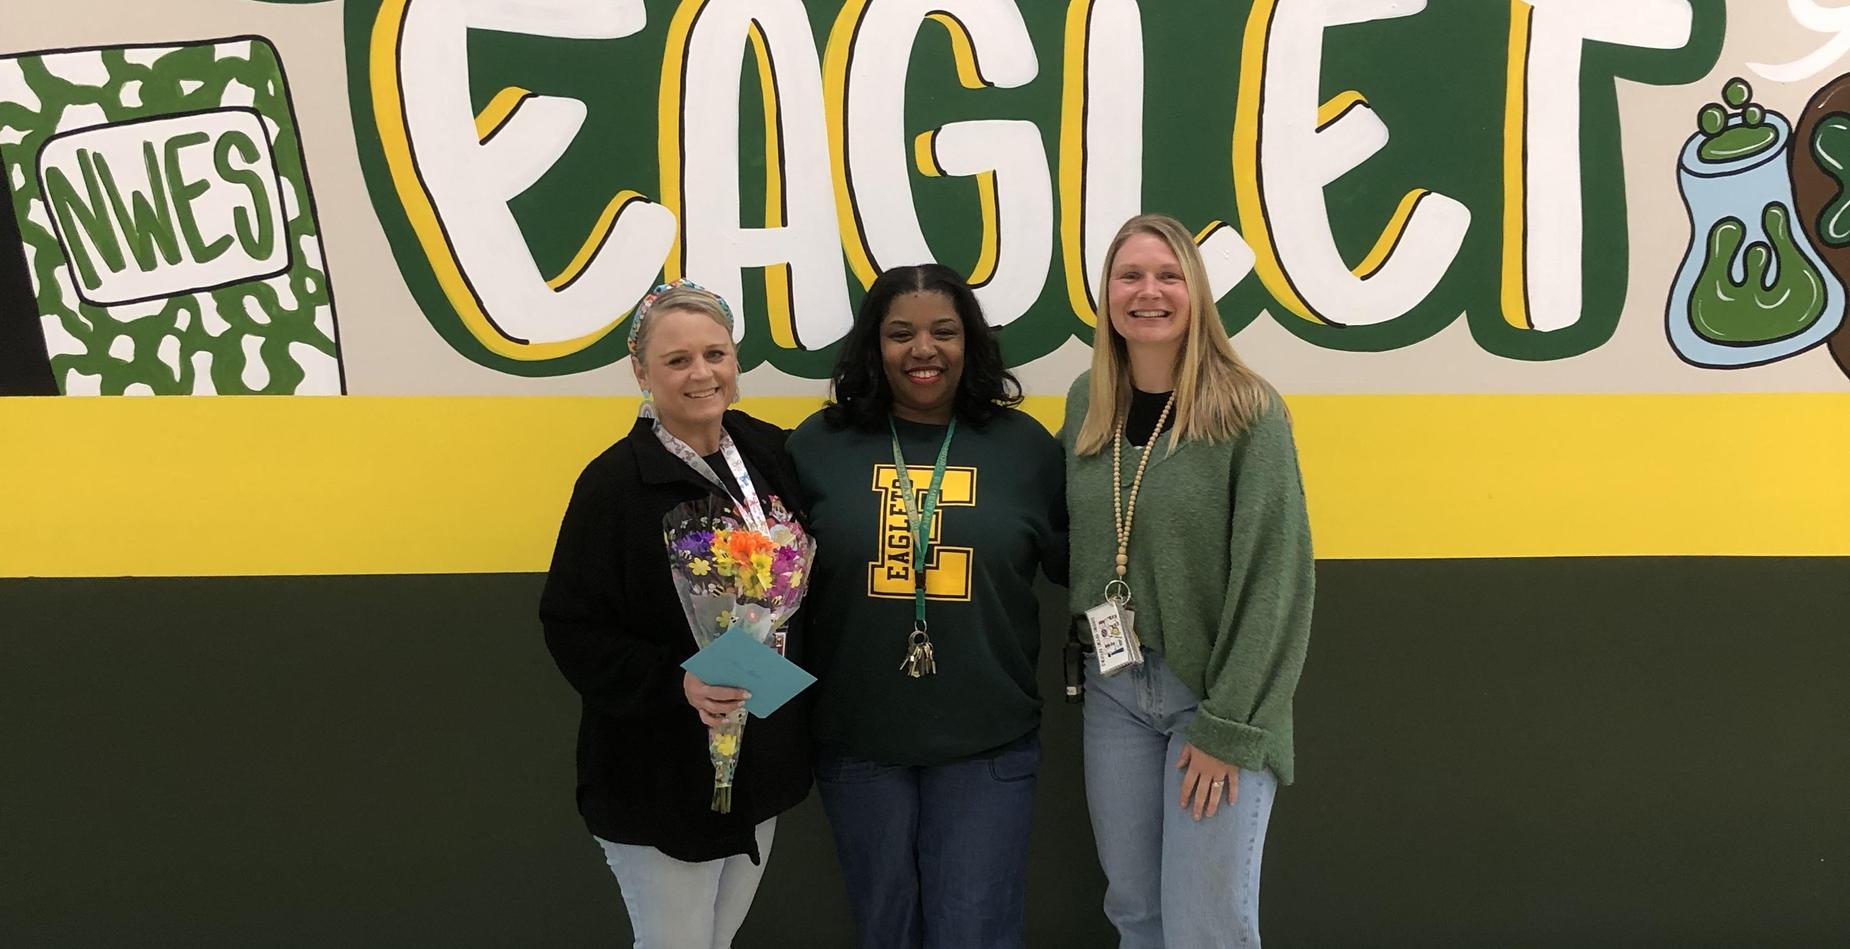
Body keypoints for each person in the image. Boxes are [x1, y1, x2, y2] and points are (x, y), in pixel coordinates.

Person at [786, 263, 1066, 949]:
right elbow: (770, 584)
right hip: (858, 742)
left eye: (944, 331)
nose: (923, 349)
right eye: (900, 332)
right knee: (886, 933)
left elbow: (1080, 561)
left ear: (969, 341)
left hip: (986, 744)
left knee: (974, 934)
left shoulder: (1025, 447)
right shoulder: (816, 444)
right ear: (872, 344)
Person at [1062, 214, 1314, 949]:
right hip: (1115, 693)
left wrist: (1229, 726)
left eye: (1168, 275)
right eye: (1130, 276)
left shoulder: (1248, 410)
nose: (1149, 292)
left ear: (1197, 293)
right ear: (1106, 294)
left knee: (1207, 926)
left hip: (1209, 698)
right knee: (1136, 912)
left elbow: (1278, 579)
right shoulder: (1089, 402)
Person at [539, 281, 812, 949]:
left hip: (756, 765)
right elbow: (571, 625)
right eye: (677, 360)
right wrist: (677, 681)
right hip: (654, 774)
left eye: (715, 353)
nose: (701, 373)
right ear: (641, 371)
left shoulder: (772, 454)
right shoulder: (612, 485)